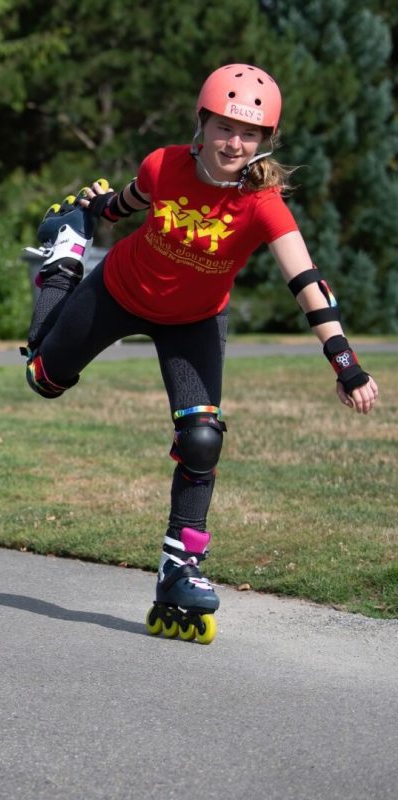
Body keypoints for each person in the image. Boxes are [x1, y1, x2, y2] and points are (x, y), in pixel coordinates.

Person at [21, 64, 379, 645]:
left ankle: (180, 566)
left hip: (194, 322)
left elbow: (307, 281)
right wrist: (93, 210)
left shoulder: (263, 204)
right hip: (117, 292)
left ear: (264, 141)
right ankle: (63, 255)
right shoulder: (163, 164)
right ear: (203, 123)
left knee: (202, 438)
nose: (234, 144)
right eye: (224, 128)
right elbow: (127, 203)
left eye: (250, 134)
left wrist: (344, 360)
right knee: (44, 376)